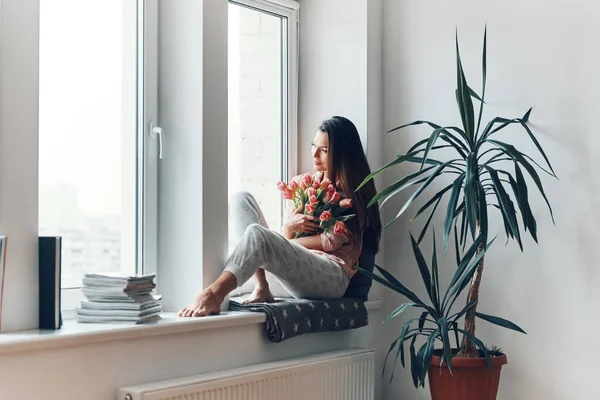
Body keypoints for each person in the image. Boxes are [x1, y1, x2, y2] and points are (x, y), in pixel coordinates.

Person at [178, 116, 382, 317]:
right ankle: (261, 286)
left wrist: (277, 244)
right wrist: (288, 229)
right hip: (297, 276)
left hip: (331, 277)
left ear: (342, 155)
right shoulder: (308, 185)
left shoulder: (352, 196)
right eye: (314, 145)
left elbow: (326, 242)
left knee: (259, 236)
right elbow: (289, 238)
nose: (314, 154)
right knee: (242, 199)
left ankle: (214, 293)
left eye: (325, 150)